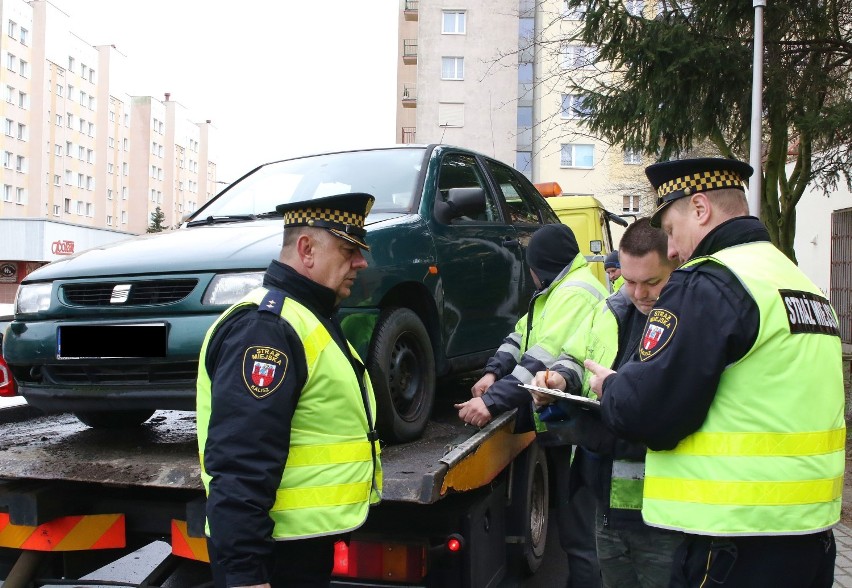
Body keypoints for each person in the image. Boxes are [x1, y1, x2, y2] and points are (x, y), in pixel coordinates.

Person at [585, 158, 844, 587]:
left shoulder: (710, 282)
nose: (671, 250)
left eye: (670, 230)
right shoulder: (801, 285)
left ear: (700, 208)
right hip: (810, 539)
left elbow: (649, 413)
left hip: (735, 546)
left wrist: (611, 387)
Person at [196, 193, 383, 588]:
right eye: (349, 250)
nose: (361, 262)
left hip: (295, 543)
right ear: (306, 249)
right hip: (274, 556)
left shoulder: (304, 317)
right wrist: (246, 576)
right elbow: (240, 460)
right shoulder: (266, 329)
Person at [532, 218, 683, 587]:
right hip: (603, 496)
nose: (639, 293)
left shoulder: (684, 318)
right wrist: (557, 378)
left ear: (675, 266)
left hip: (656, 511)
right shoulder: (610, 308)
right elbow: (576, 355)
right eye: (629, 280)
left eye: (652, 282)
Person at [456, 222, 607, 588]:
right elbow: (520, 335)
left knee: (580, 533)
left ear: (542, 264)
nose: (530, 273)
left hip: (578, 428)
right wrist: (493, 371)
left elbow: (540, 360)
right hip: (562, 420)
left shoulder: (573, 293)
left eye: (531, 265)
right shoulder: (557, 289)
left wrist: (491, 402)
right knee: (574, 528)